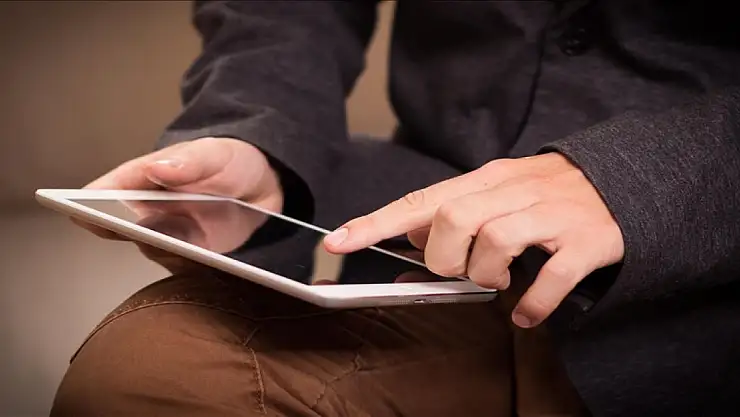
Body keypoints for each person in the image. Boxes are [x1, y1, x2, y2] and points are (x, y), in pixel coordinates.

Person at [50, 1, 740, 416]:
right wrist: (261, 131)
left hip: (700, 309)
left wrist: (642, 182)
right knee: (155, 370)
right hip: (425, 249)